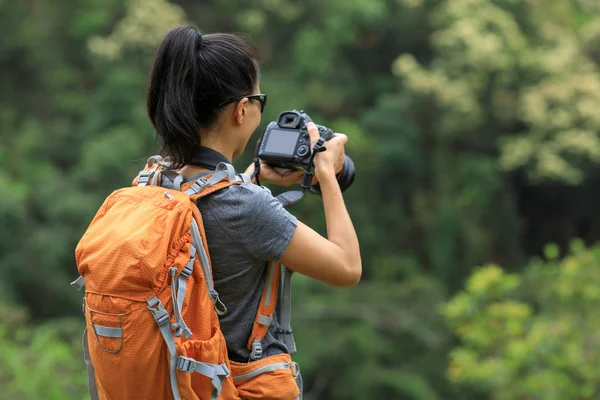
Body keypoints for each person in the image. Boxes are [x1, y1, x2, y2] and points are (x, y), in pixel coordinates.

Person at [146, 25, 362, 397]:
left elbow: (213, 200)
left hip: (174, 383)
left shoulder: (151, 181)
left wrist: (253, 178)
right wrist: (326, 173)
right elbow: (347, 268)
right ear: (242, 110)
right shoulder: (248, 207)